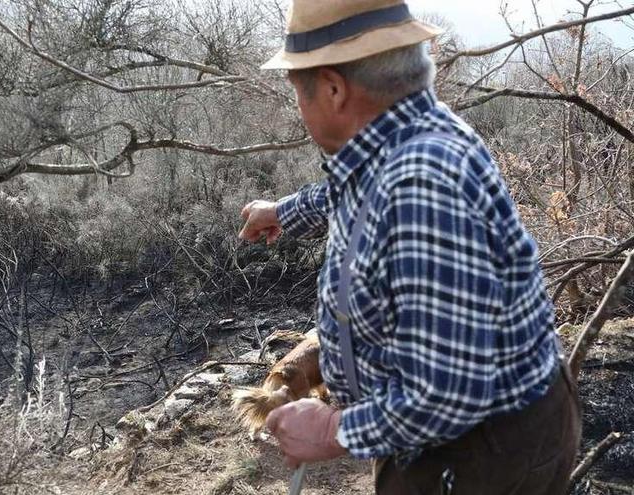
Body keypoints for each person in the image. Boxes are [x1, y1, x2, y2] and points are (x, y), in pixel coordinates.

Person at [237, 1, 582, 493]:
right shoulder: (403, 133)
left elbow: (448, 395)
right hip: (463, 440)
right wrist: (284, 211)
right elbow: (357, 184)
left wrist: (333, 431)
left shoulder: (421, 183)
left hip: (475, 456)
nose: (299, 105)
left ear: (334, 89)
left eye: (298, 92)